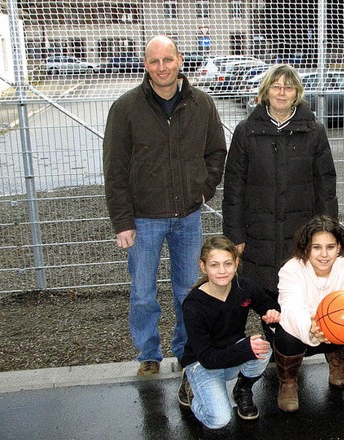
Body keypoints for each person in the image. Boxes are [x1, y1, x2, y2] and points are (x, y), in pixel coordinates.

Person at [102, 35, 227, 375]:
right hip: (143, 219)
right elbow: (114, 169)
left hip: (188, 216)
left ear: (180, 60)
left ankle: (187, 352)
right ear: (146, 65)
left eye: (168, 60)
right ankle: (148, 354)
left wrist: (203, 192)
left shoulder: (202, 104)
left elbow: (217, 152)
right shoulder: (126, 108)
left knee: (188, 291)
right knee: (143, 293)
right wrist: (122, 221)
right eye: (154, 61)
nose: (162, 67)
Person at [222, 64, 338, 342]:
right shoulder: (246, 131)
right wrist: (234, 234)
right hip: (258, 231)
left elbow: (326, 185)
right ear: (265, 92)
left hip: (300, 231)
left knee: (299, 291)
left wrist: (328, 232)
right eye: (276, 86)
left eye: (288, 87)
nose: (282, 92)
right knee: (264, 294)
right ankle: (277, 351)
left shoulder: (314, 131)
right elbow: (233, 187)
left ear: (297, 92)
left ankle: (299, 350)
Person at [274, 215, 344, 412]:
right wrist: (311, 327)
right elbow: (290, 307)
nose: (324, 254)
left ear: (339, 247)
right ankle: (288, 381)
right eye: (316, 247)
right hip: (309, 332)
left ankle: (337, 359)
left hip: (339, 333)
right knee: (285, 336)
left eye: (330, 247)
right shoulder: (291, 269)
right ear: (306, 248)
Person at [177, 236, 281, 429]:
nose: (222, 271)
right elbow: (207, 358)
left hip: (229, 354)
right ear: (203, 266)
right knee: (219, 420)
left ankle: (242, 389)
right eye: (214, 265)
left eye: (227, 263)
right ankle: (192, 390)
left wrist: (272, 314)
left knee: (263, 350)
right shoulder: (193, 305)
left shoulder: (244, 287)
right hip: (202, 363)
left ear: (236, 263)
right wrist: (245, 349)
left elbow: (269, 306)